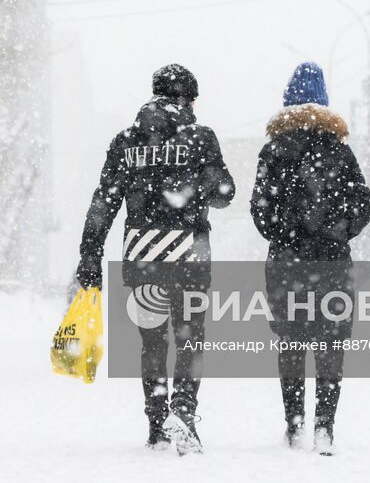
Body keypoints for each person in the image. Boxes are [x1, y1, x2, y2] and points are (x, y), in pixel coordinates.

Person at [76, 63, 236, 454]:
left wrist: (90, 253)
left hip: (142, 254)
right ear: (188, 98)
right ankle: (182, 411)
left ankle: (155, 422)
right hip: (190, 255)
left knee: (151, 343)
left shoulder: (126, 140)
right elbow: (224, 193)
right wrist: (198, 186)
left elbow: (104, 201)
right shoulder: (200, 138)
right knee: (190, 339)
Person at [250, 61, 370, 456]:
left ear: (287, 103)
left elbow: (260, 210)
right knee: (331, 344)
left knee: (290, 342)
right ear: (324, 103)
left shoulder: (272, 150)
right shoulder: (340, 151)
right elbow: (363, 205)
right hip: (333, 263)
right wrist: (336, 231)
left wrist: (285, 234)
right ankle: (325, 428)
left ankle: (294, 425)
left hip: (286, 264)